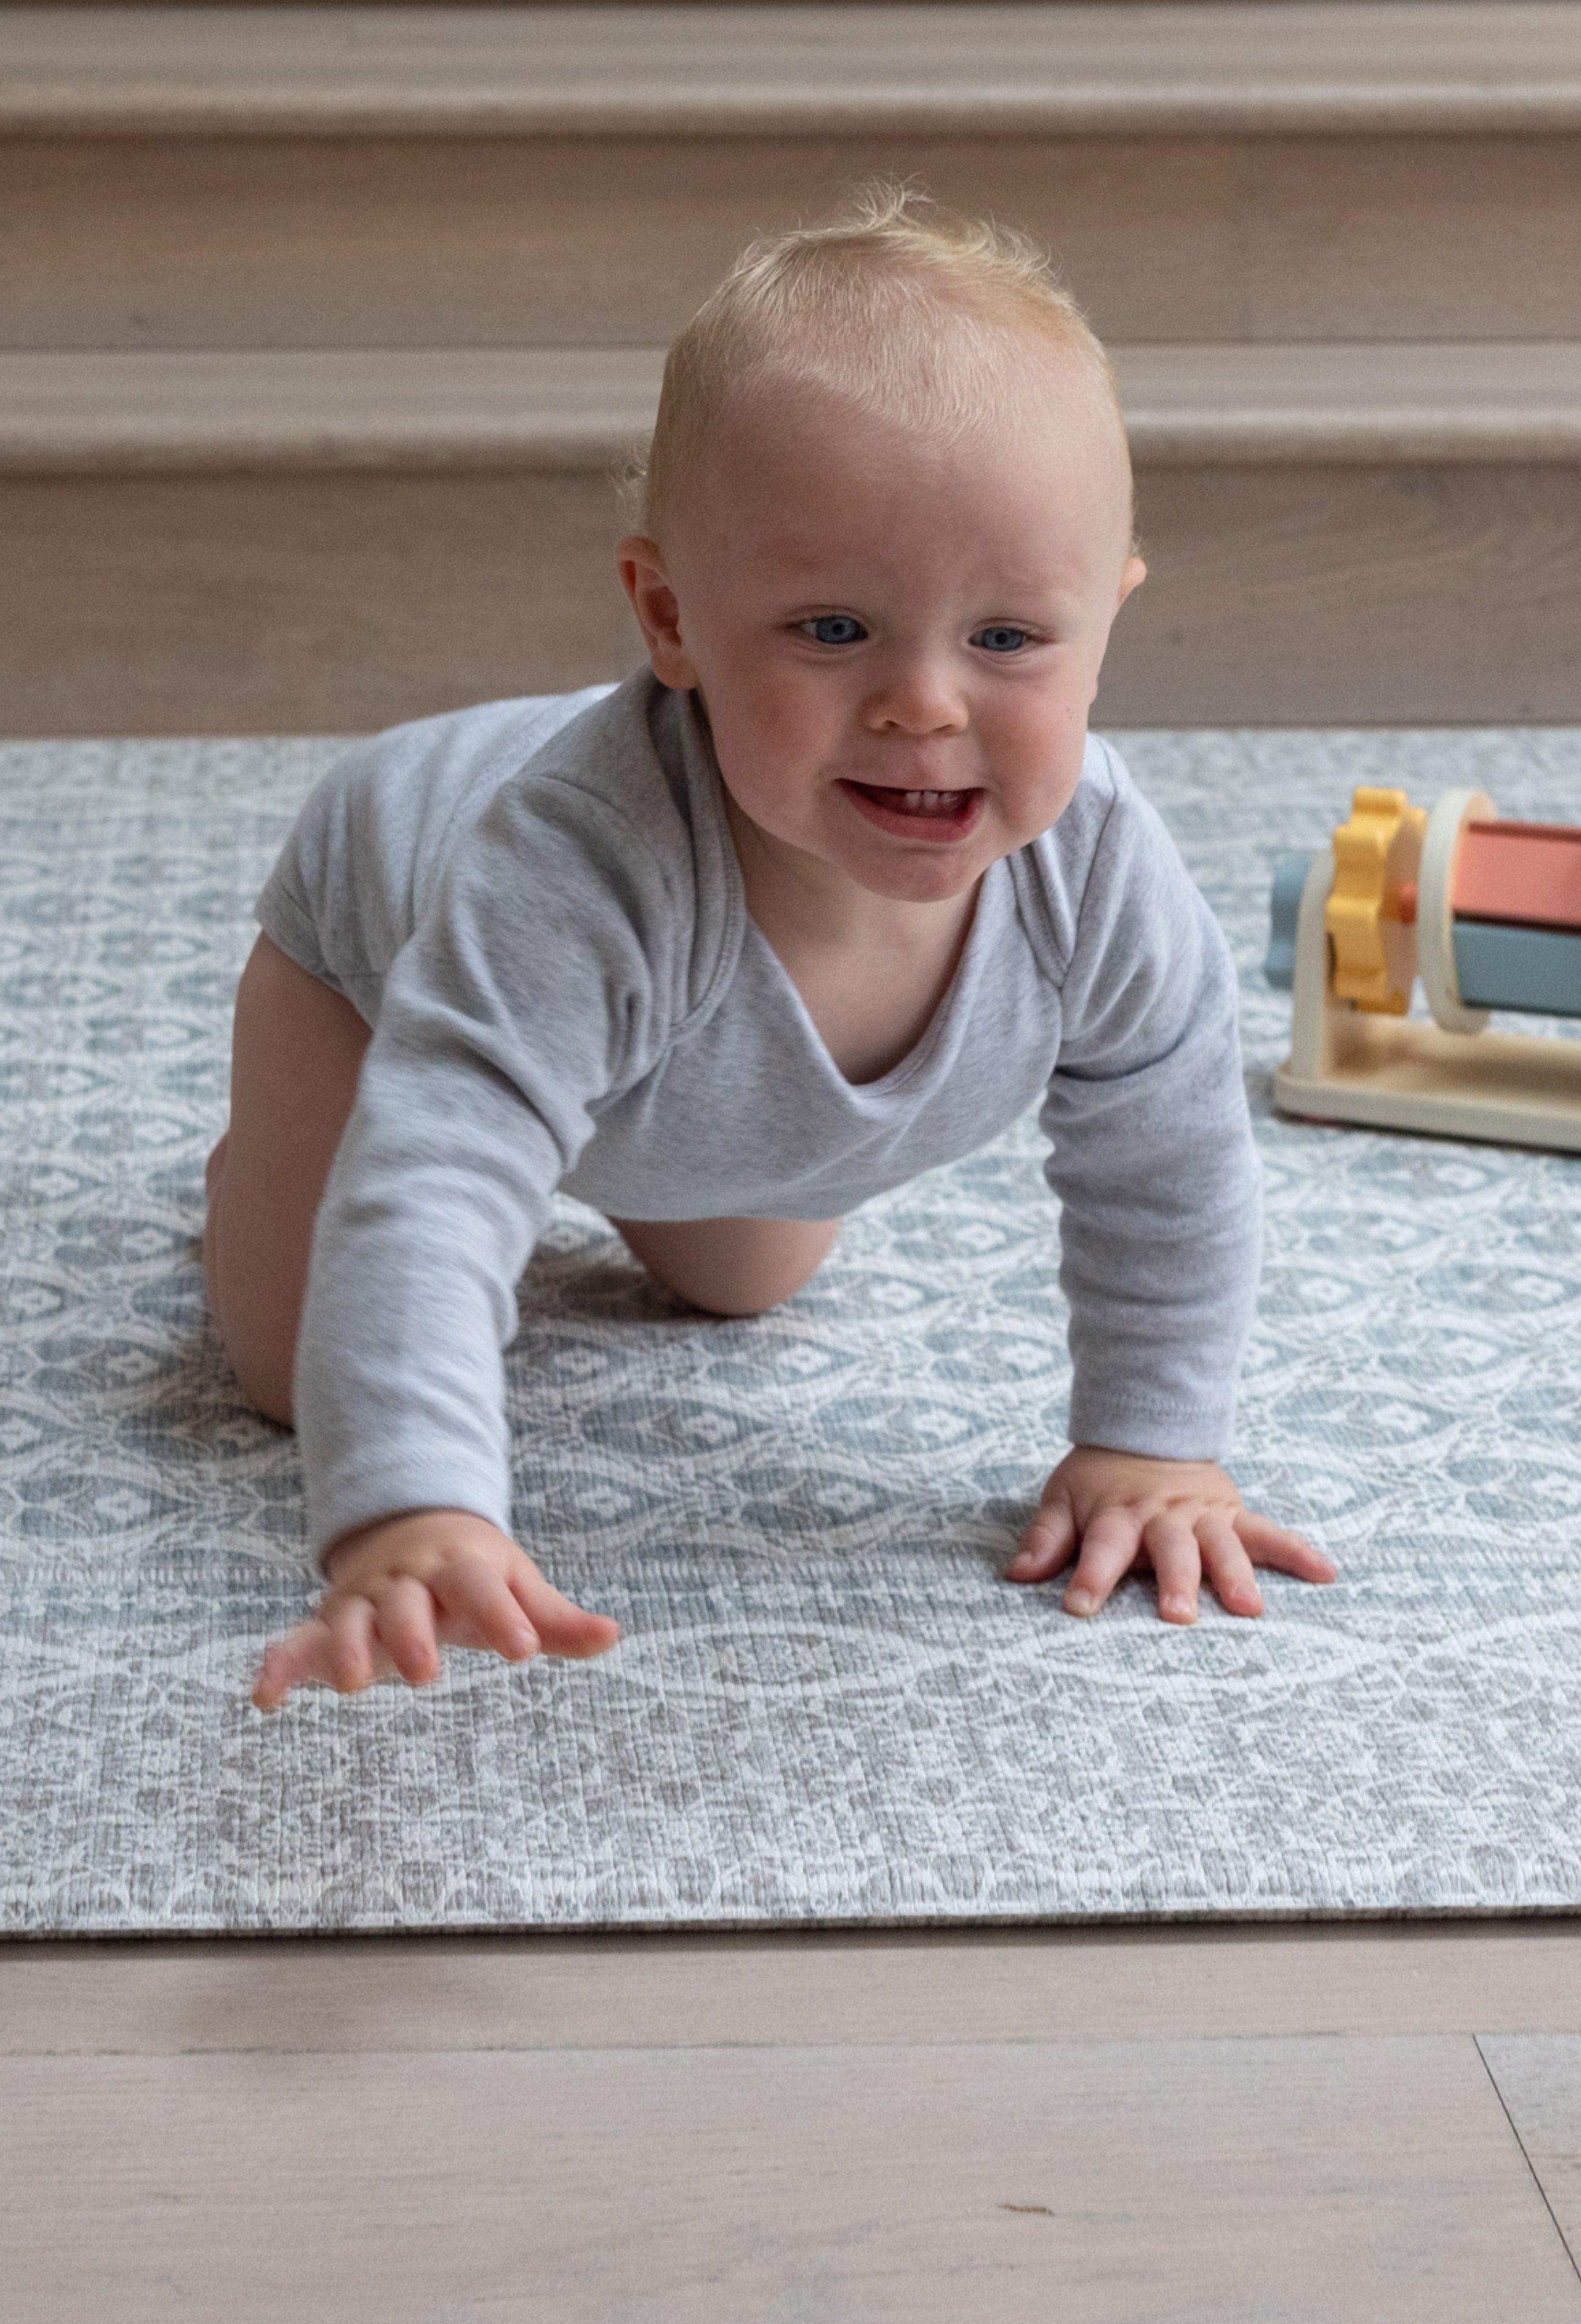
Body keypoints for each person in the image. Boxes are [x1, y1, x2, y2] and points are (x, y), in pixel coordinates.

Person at [206, 185, 1336, 1712]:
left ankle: (648, 1142)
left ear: (1107, 621)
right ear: (669, 618)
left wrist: (1150, 1442)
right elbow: (441, 1173)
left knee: (741, 1282)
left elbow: (1171, 1159)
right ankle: (252, 1177)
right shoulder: (579, 870)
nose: (924, 704)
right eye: (830, 630)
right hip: (376, 953)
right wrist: (412, 1510)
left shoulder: (1101, 872)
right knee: (296, 1378)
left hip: (683, 1080)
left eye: (1009, 640)